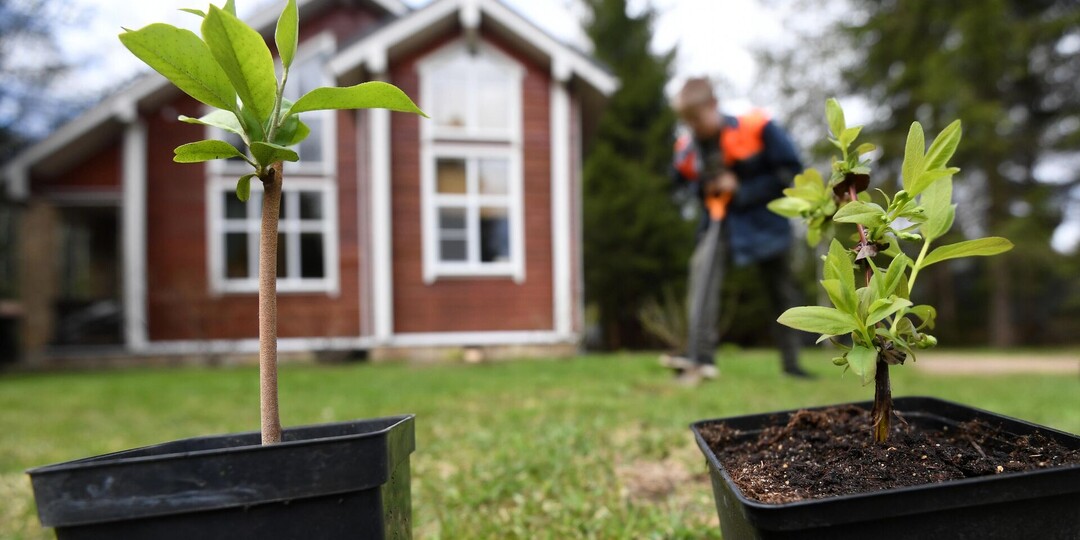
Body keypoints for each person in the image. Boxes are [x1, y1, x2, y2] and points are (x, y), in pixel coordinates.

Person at [662, 77, 812, 382]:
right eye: (686, 121)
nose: (693, 126)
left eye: (696, 118)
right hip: (720, 222)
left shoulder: (756, 127)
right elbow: (678, 180)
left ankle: (792, 364)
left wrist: (741, 188)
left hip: (766, 222)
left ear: (713, 105)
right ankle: (700, 357)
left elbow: (790, 172)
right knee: (701, 273)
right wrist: (698, 183)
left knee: (781, 292)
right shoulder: (688, 147)